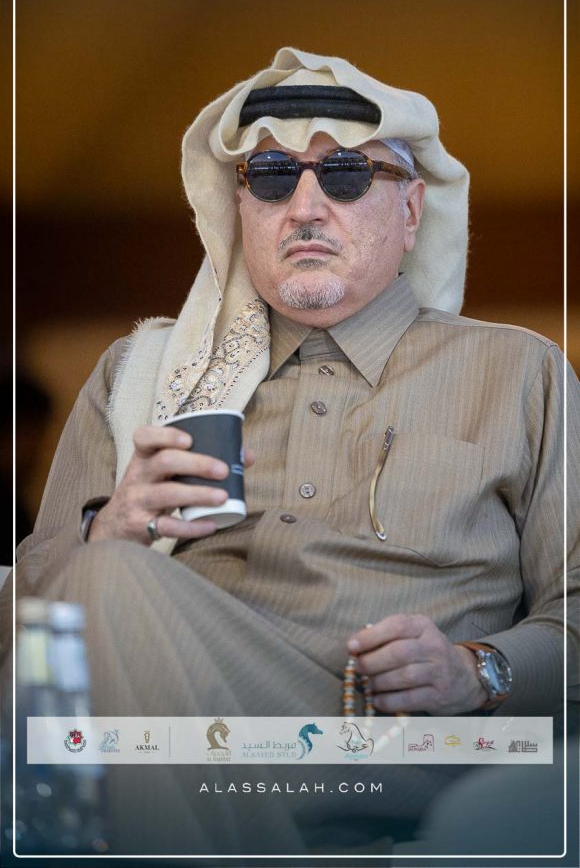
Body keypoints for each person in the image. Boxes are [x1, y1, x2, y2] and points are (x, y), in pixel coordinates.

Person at [3, 48, 578, 857]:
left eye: (345, 174)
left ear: (412, 210)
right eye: (272, 177)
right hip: (189, 729)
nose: (306, 207)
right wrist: (111, 530)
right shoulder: (139, 377)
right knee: (104, 575)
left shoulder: (518, 371)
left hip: (410, 743)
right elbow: (23, 632)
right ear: (241, 208)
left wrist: (476, 669)